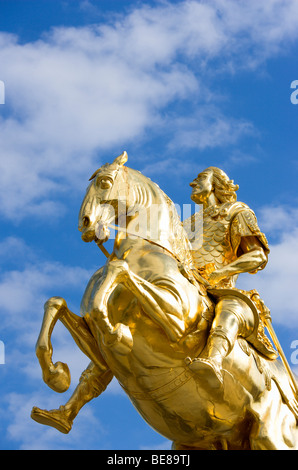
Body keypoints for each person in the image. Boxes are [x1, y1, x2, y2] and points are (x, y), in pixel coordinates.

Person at [185, 166, 275, 387]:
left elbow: (257, 256)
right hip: (187, 282)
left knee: (229, 309)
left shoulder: (237, 211)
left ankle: (214, 359)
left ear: (216, 184)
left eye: (201, 178)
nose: (192, 183)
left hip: (219, 288)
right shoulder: (186, 224)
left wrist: (220, 273)